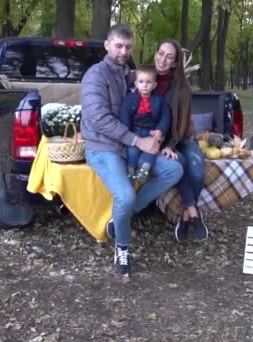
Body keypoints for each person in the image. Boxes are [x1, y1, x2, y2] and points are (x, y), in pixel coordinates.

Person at [80, 25, 183, 275]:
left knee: (174, 170)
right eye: (119, 46)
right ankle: (122, 248)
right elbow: (99, 118)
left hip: (131, 144)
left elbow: (146, 109)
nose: (124, 51)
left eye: (128, 47)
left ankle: (123, 218)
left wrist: (158, 135)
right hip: (104, 147)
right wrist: (136, 141)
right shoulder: (96, 75)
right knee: (124, 196)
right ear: (107, 45)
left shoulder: (129, 75)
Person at [153, 39, 209, 242]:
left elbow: (181, 124)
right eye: (160, 53)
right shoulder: (145, 79)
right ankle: (193, 211)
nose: (163, 59)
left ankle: (185, 216)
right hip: (159, 139)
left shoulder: (181, 88)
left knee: (196, 165)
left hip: (180, 137)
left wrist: (170, 146)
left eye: (169, 57)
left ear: (175, 63)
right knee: (181, 163)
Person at [120, 64, 171, 184]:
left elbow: (165, 117)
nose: (144, 85)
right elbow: (124, 114)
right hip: (135, 131)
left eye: (148, 82)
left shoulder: (160, 100)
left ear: (154, 85)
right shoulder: (130, 99)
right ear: (136, 84)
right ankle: (131, 171)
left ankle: (144, 169)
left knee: (152, 149)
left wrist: (160, 130)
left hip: (151, 131)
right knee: (132, 151)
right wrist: (127, 131)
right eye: (141, 82)